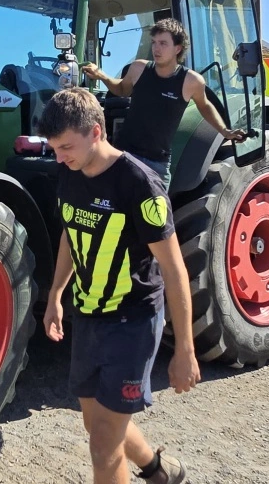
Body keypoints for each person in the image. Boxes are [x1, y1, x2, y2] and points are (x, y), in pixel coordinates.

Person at [38, 86, 199, 484]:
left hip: (133, 321)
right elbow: (69, 234)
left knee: (102, 447)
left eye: (66, 147)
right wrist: (56, 295)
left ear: (96, 132)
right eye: (55, 149)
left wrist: (185, 350)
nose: (59, 157)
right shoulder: (69, 171)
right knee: (97, 426)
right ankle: (159, 470)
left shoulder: (139, 185)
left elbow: (175, 269)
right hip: (88, 316)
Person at [81, 17, 245, 187]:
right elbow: (122, 89)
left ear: (178, 48)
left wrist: (225, 131)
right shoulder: (138, 69)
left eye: (163, 43)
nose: (156, 48)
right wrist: (101, 75)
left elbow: (205, 106)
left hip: (156, 164)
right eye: (153, 42)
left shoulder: (191, 81)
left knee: (156, 212)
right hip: (123, 155)